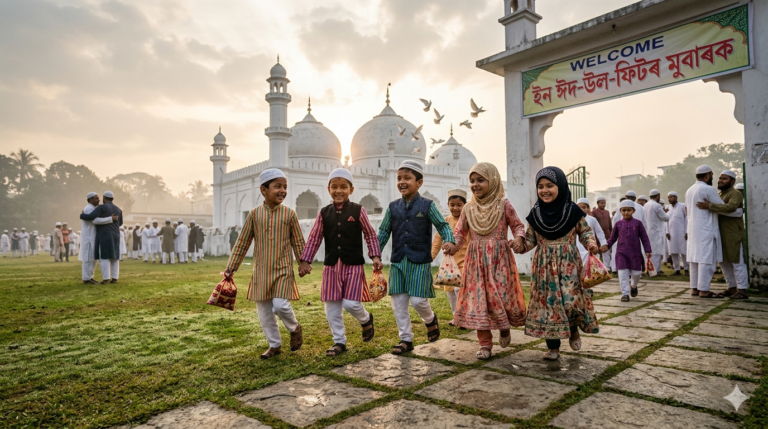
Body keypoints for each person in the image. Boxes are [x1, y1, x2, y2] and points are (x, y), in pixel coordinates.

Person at [516, 166, 600, 361]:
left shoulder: (572, 211)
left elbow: (585, 231)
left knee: (570, 302)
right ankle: (552, 347)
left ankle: (573, 330)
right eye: (540, 186)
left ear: (560, 186)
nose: (544, 190)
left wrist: (591, 243)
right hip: (544, 268)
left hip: (569, 265)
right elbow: (531, 240)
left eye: (550, 185)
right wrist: (519, 245)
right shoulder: (536, 214)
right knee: (549, 307)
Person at [298, 168, 382, 357]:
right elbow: (314, 238)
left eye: (343, 187)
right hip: (331, 267)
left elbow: (369, 234)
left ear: (351, 190)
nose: (338, 191)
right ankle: (339, 342)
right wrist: (305, 260)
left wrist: (375, 256)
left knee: (351, 304)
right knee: (332, 306)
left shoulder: (358, 210)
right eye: (334, 187)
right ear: (328, 189)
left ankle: (366, 319)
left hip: (353, 264)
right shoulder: (324, 213)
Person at [224, 169, 306, 359]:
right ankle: (274, 345)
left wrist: (303, 262)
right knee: (264, 312)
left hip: (283, 269)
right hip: (261, 271)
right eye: (277, 186)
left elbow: (298, 241)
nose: (283, 190)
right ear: (264, 189)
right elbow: (243, 242)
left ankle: (294, 328)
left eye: (285, 187)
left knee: (280, 306)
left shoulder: (289, 214)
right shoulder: (254, 215)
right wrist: (231, 266)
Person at [448, 163, 527, 360]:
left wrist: (518, 239)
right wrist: (453, 245)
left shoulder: (504, 204)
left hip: (500, 261)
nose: (475, 185)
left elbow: (517, 225)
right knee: (478, 302)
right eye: (472, 181)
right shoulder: (468, 208)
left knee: (501, 298)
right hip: (475, 263)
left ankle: (504, 327)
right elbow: (459, 233)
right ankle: (485, 344)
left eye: (480, 180)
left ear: (492, 181)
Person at [377, 160, 456, 355]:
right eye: (399, 178)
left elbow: (443, 225)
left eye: (407, 178)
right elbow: (384, 231)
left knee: (418, 301)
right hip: (398, 261)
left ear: (419, 182)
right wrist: (375, 253)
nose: (402, 182)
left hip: (420, 260)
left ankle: (430, 319)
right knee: (398, 301)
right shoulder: (392, 207)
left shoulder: (427, 205)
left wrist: (449, 240)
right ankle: (405, 339)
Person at [696, 170, 748, 299]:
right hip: (719, 233)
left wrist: (710, 206)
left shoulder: (735, 193)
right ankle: (731, 288)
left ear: (732, 181)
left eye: (724, 179)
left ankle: (742, 290)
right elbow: (729, 211)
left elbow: (731, 207)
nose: (720, 181)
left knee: (737, 262)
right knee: (724, 263)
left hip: (733, 234)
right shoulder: (719, 194)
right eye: (720, 178)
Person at [686, 165, 726, 298]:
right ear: (707, 175)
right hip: (706, 230)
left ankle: (695, 289)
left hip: (693, 230)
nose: (713, 178)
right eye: (712, 175)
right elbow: (721, 207)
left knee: (695, 260)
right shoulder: (708, 189)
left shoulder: (689, 190)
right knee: (706, 260)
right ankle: (704, 290)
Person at [431, 188, 469, 327]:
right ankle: (456, 317)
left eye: (459, 205)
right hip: (448, 263)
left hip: (465, 260)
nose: (455, 208)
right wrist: (430, 257)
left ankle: (463, 316)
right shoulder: (445, 221)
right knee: (450, 292)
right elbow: (437, 241)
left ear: (465, 205)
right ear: (448, 205)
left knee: (460, 289)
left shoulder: (468, 221)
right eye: (452, 205)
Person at [601, 200, 652, 301]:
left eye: (629, 210)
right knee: (622, 273)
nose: (626, 212)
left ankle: (633, 285)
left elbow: (644, 238)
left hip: (635, 253)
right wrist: (606, 246)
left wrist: (648, 250)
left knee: (637, 274)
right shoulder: (618, 224)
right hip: (621, 253)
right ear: (620, 211)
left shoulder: (638, 223)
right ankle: (625, 294)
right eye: (624, 210)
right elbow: (612, 238)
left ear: (633, 210)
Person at [79, 191, 123, 284]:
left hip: (103, 235)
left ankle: (101, 278)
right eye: (96, 198)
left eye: (99, 198)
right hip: (107, 235)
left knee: (103, 258)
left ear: (104, 198)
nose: (98, 200)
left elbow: (92, 218)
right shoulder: (118, 209)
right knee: (113, 257)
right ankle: (88, 278)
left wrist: (82, 215)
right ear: (89, 200)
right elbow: (119, 223)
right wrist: (111, 220)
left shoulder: (101, 207)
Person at [644, 189, 669, 276]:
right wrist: (667, 213)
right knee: (656, 252)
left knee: (651, 251)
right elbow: (665, 217)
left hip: (649, 231)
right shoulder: (657, 205)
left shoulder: (646, 205)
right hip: (656, 232)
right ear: (658, 195)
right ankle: (653, 272)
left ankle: (655, 270)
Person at [576, 198, 606, 265]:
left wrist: (603, 243)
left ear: (588, 208)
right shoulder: (573, 220)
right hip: (577, 249)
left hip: (590, 248)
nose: (581, 209)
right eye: (579, 207)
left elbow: (599, 232)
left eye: (584, 207)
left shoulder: (592, 220)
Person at [665, 191, 688, 276]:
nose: (669, 199)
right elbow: (666, 220)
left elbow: (686, 219)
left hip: (682, 233)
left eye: (671, 197)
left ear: (676, 198)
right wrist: (667, 231)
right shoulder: (668, 207)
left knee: (684, 252)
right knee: (673, 252)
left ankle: (686, 269)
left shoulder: (682, 206)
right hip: (671, 233)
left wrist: (686, 231)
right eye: (668, 197)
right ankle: (677, 269)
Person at [591, 196, 613, 271]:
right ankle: (597, 267)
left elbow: (609, 224)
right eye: (601, 203)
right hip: (598, 235)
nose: (603, 204)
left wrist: (611, 232)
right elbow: (593, 224)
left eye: (604, 203)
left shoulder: (607, 212)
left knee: (606, 251)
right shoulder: (594, 212)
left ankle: (607, 268)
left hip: (607, 234)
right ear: (597, 203)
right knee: (596, 251)